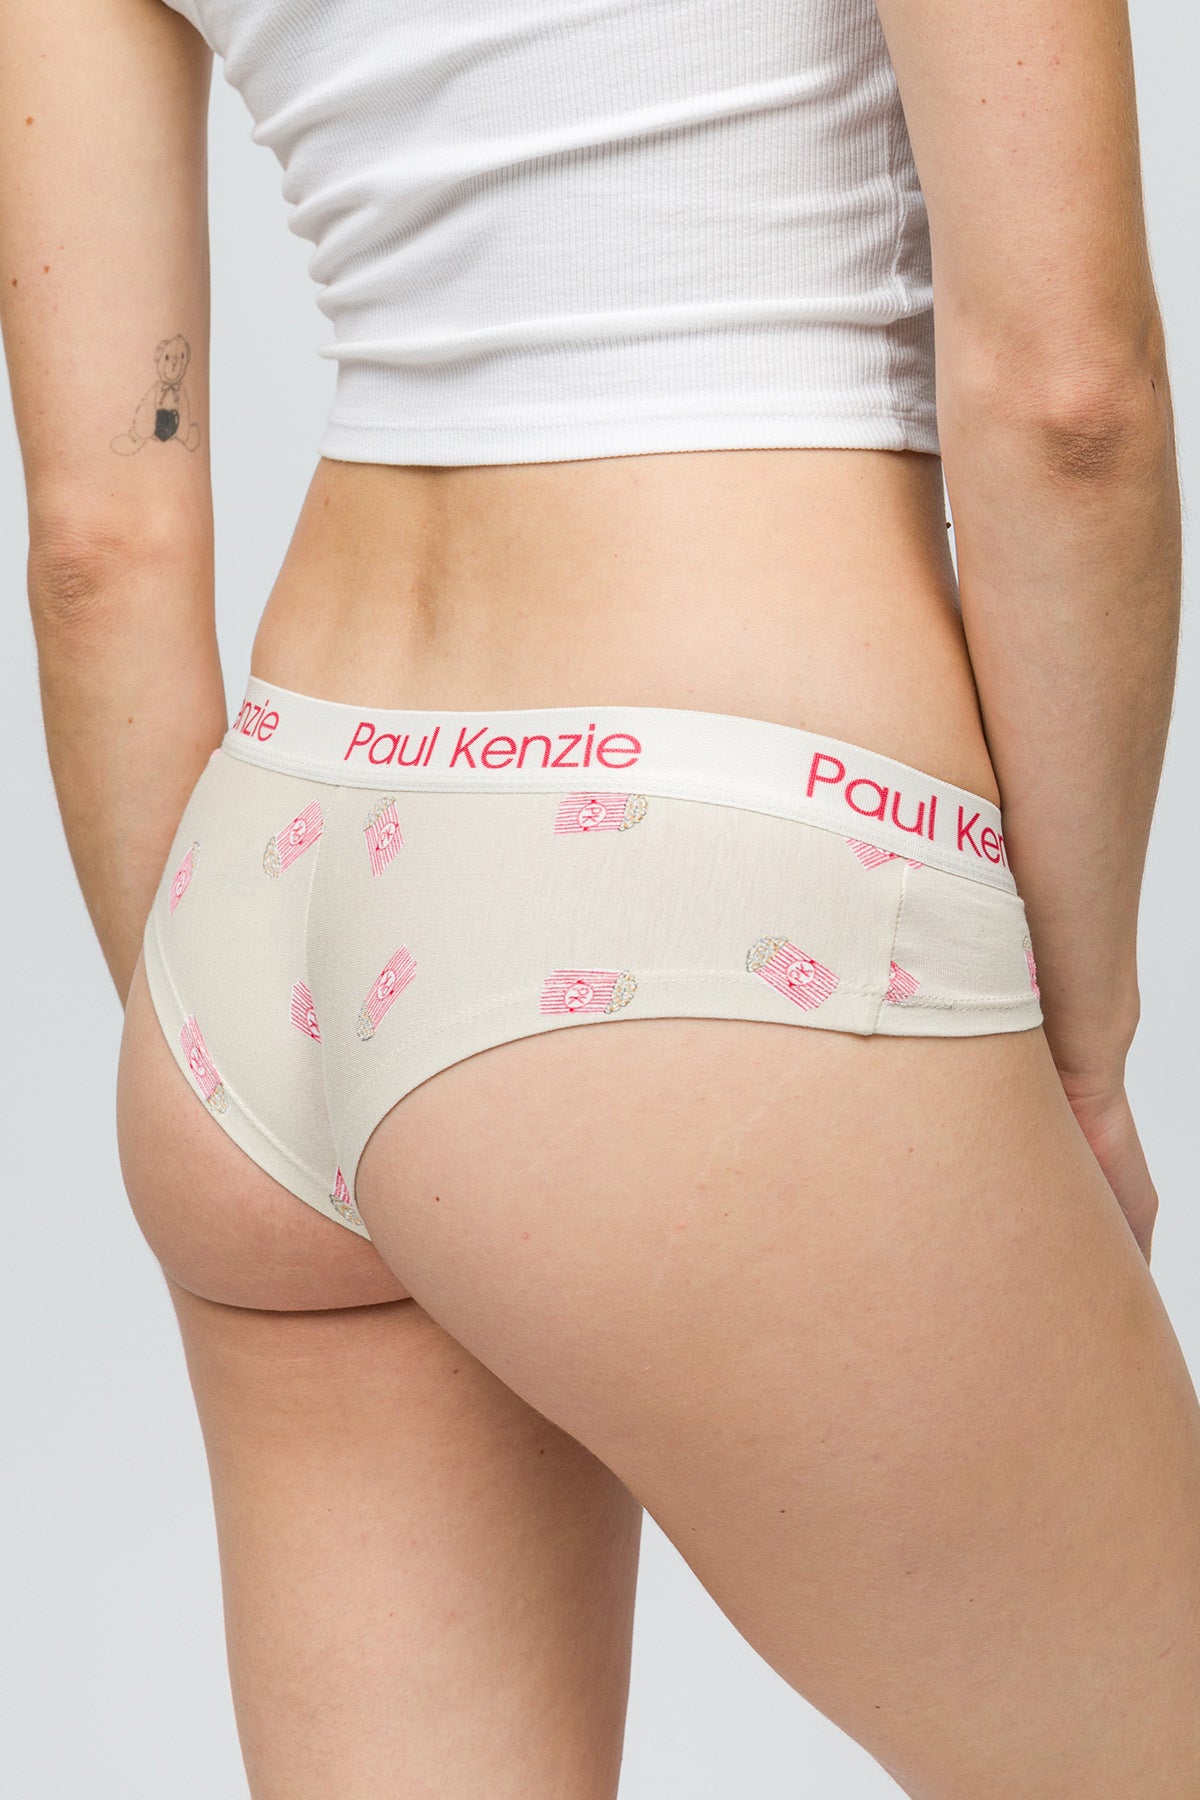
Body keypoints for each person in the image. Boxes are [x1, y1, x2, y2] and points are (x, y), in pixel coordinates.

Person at [3, 0, 1197, 1792]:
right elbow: (1068, 399)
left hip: (270, 876)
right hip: (697, 852)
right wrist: (1085, 1041)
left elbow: (99, 544)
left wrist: (236, 1060)